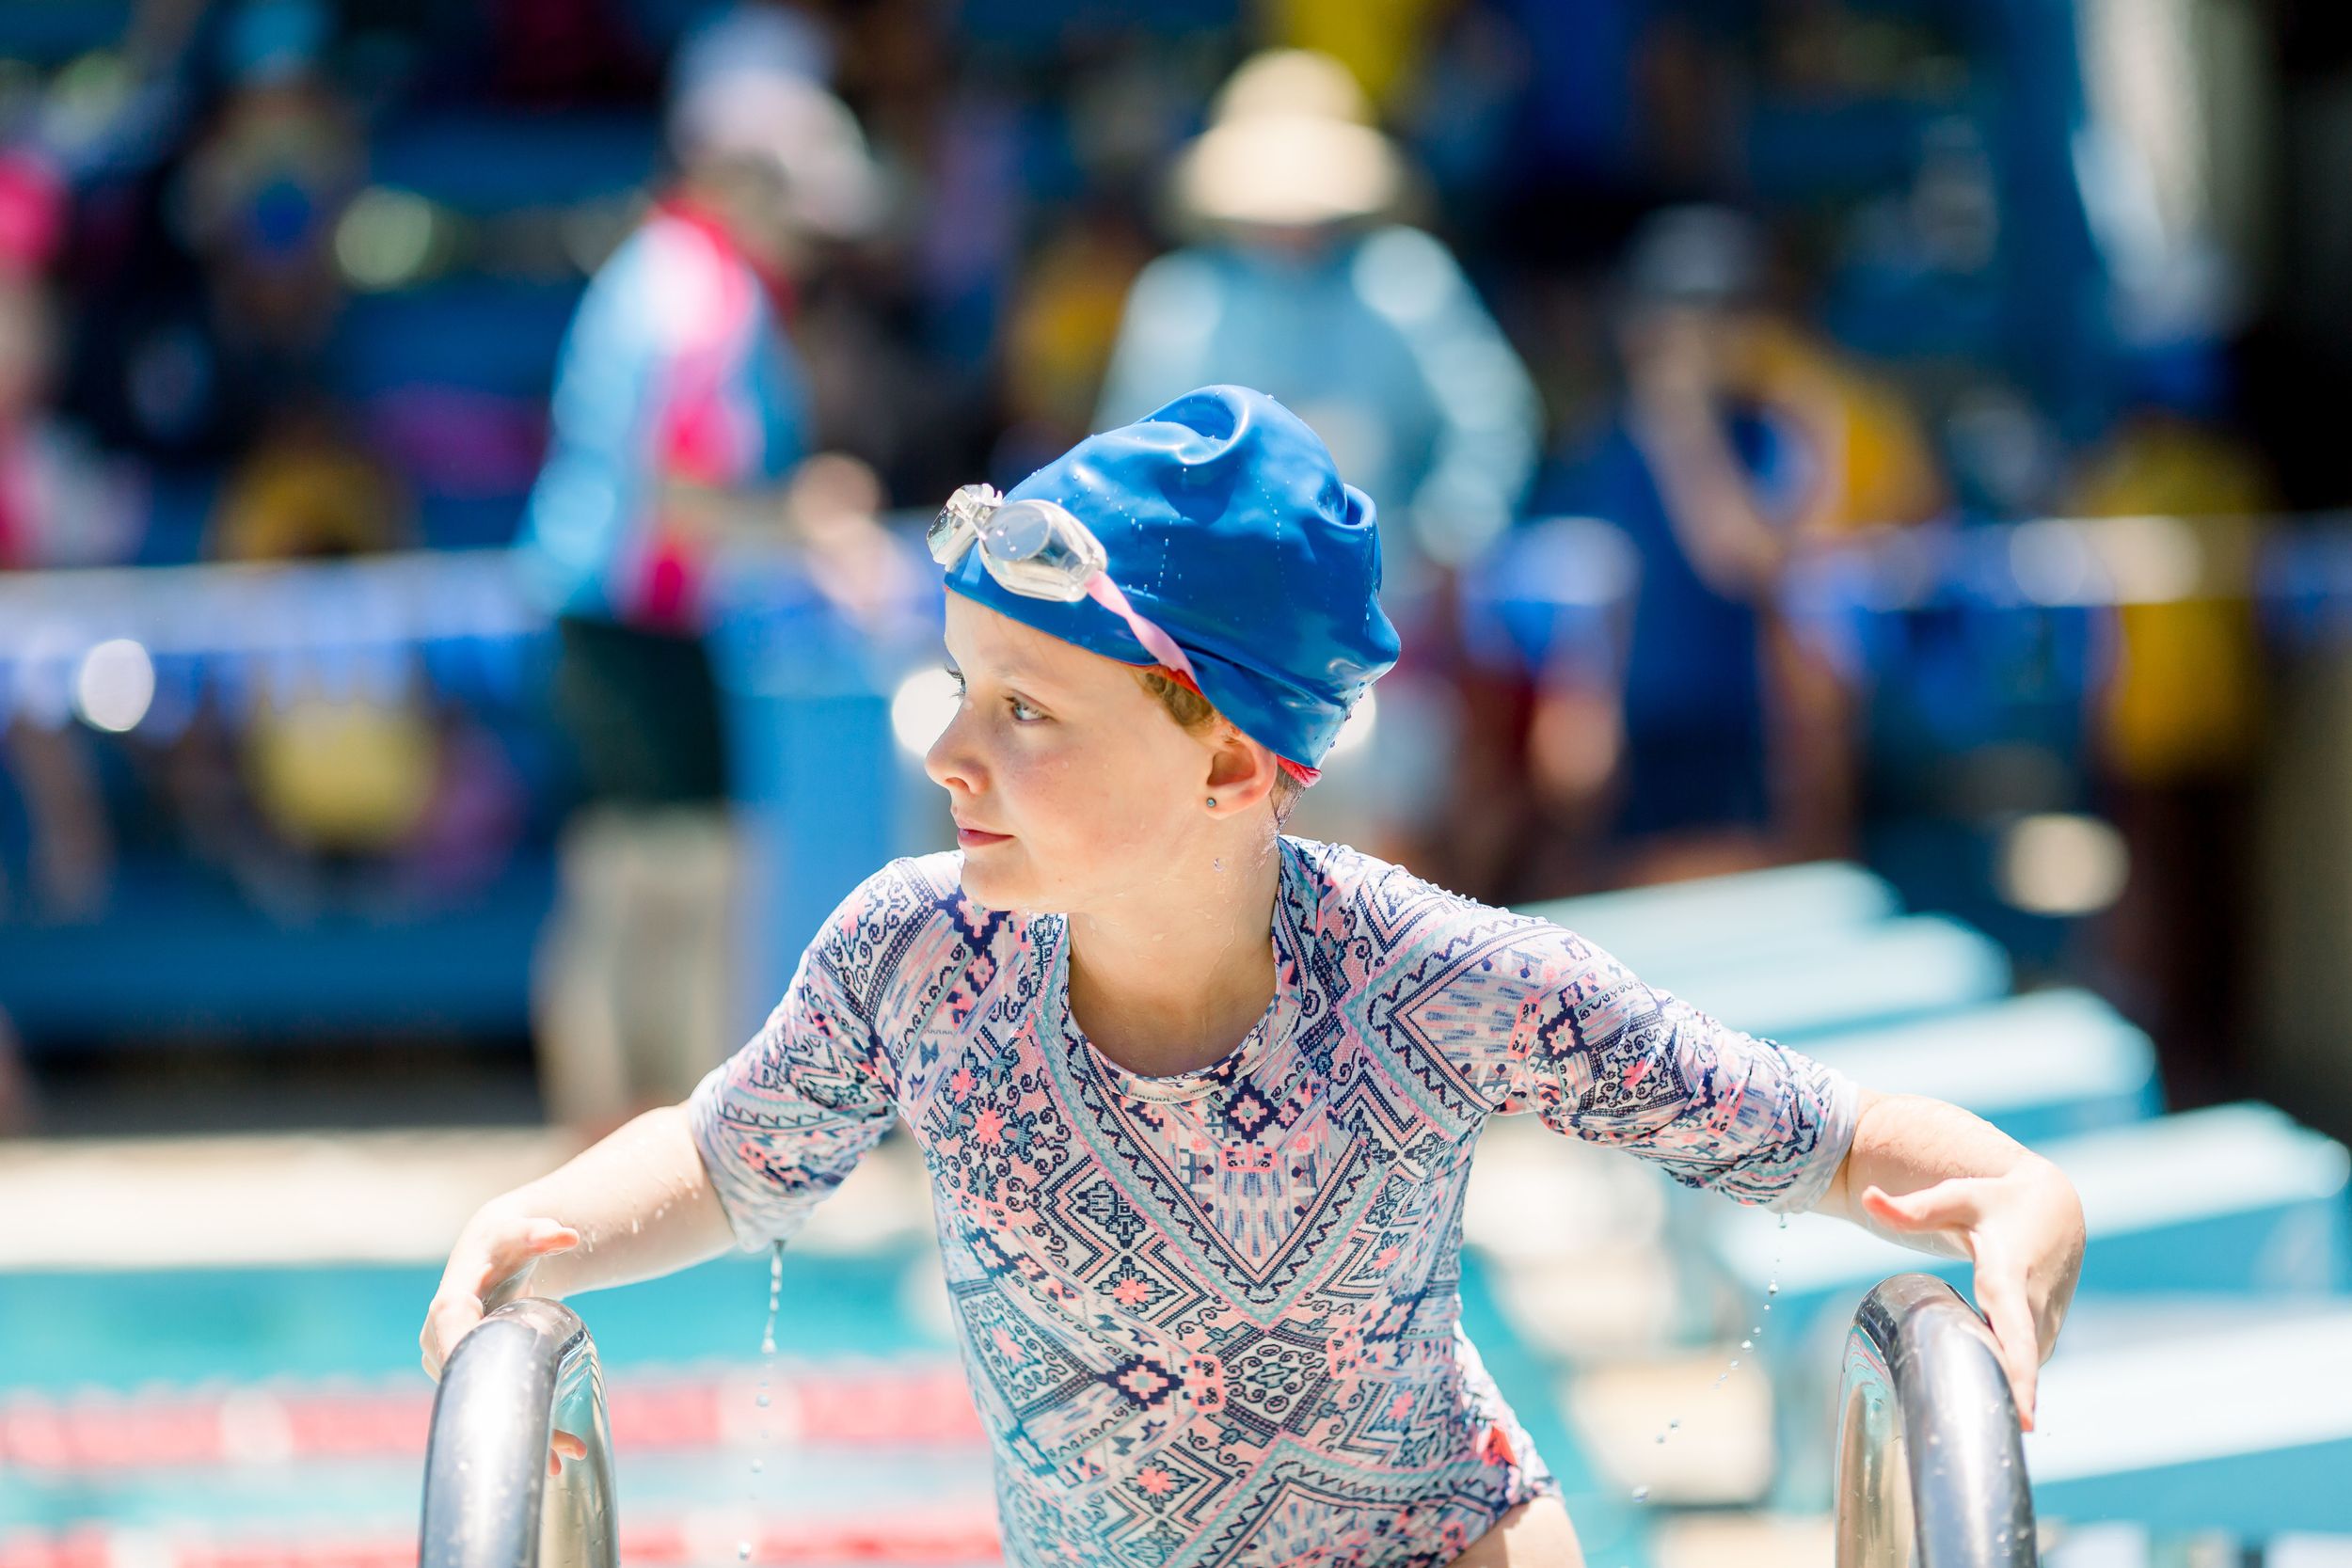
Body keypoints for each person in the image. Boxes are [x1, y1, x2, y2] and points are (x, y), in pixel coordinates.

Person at [424, 388, 2084, 1567]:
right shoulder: (914, 961)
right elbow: (728, 1159)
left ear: (1230, 760)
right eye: (962, 685)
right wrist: (531, 1224)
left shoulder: (1426, 982)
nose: (947, 751)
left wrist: (2017, 1191)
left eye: (1025, 710)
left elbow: (1810, 1131)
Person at [515, 26, 899, 1133]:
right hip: (639, 620)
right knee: (678, 876)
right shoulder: (704, 298)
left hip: (612, 615)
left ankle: (615, 1134)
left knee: (622, 873)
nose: (809, 245)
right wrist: (812, 520)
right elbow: (681, 495)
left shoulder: (662, 272)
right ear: (734, 184)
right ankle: (650, 1141)